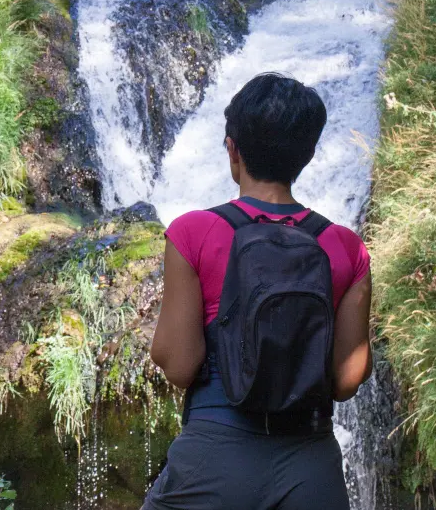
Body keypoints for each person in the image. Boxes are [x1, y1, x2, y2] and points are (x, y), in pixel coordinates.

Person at [145, 73, 373, 510]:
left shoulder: (193, 232)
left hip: (214, 457)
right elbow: (346, 382)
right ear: (307, 155)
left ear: (233, 150)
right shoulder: (347, 248)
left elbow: (179, 365)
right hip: (311, 466)